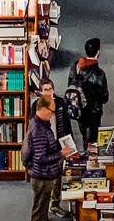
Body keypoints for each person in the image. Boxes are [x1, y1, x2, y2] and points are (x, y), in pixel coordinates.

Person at [35, 79, 74, 216]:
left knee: (57, 176)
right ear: (40, 91)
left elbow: (66, 124)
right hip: (43, 146)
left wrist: (70, 143)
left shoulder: (61, 103)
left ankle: (55, 204)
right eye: (45, 90)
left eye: (50, 89)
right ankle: (43, 209)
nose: (48, 92)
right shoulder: (36, 105)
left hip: (58, 144)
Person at [23, 96, 63, 221]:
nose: (52, 115)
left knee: (43, 209)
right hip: (42, 175)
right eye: (52, 111)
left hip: (44, 174)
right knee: (39, 210)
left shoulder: (40, 124)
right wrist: (61, 153)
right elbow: (41, 158)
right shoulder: (39, 129)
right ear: (44, 109)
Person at [69, 38, 109, 149]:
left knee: (84, 133)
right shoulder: (98, 73)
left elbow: (70, 84)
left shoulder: (75, 67)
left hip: (79, 107)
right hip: (93, 111)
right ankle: (90, 157)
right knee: (92, 137)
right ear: (98, 53)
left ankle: (85, 148)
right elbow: (104, 97)